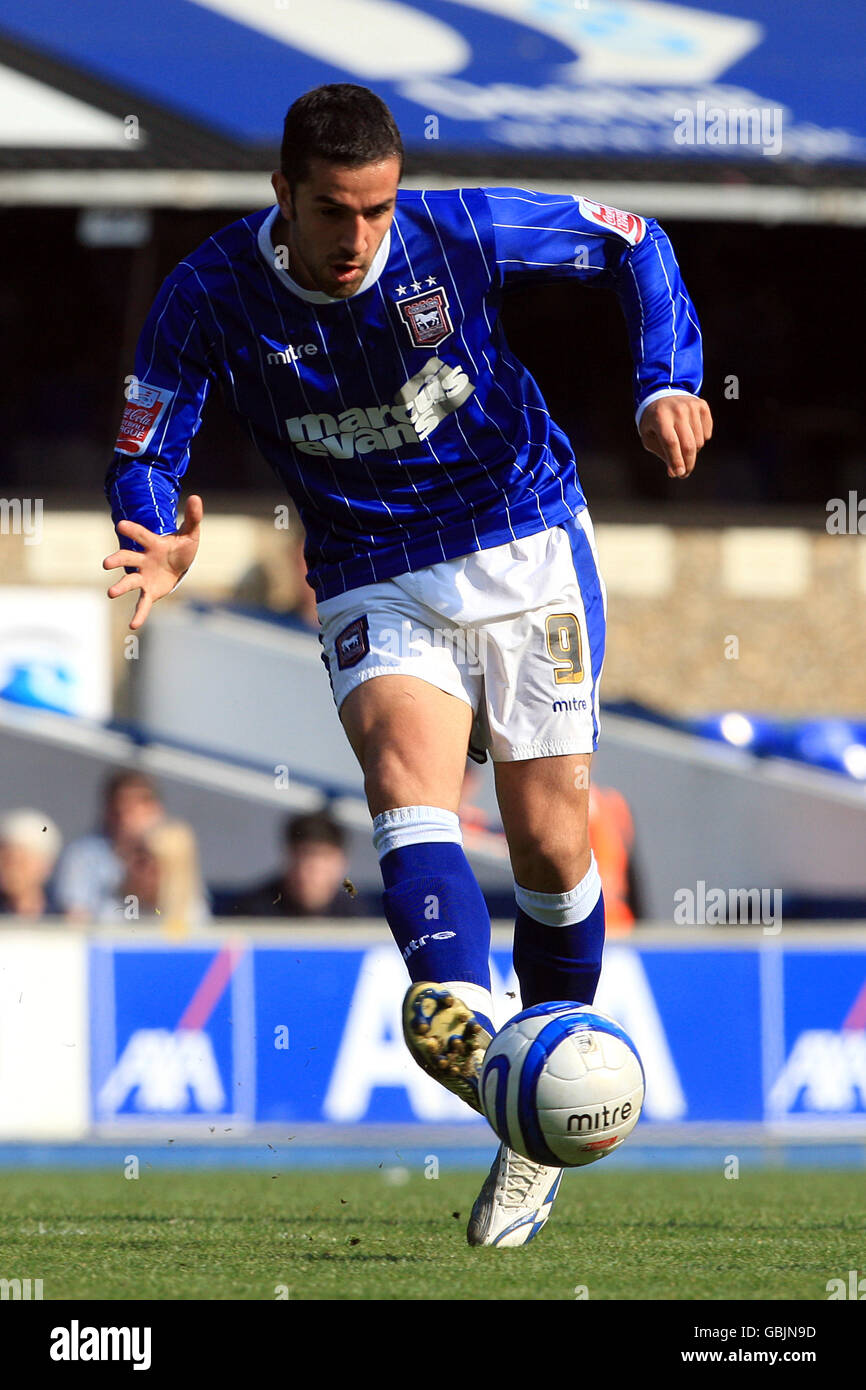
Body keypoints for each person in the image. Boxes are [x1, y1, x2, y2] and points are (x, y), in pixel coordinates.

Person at [102, 83, 711, 1247]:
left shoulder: (461, 229)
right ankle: (465, 1016)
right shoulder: (205, 292)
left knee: (550, 842)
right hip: (370, 564)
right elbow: (146, 438)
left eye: (376, 210)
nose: (358, 238)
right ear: (282, 194)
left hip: (523, 534)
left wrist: (665, 376)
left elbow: (634, 239)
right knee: (401, 775)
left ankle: (531, 1120)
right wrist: (153, 527)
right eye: (333, 212)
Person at [53, 770, 164, 922]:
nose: (124, 815)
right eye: (119, 806)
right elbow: (75, 919)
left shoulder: (173, 855)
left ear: (155, 810)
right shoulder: (82, 856)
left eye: (134, 807)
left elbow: (192, 921)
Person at [219, 810, 365, 918]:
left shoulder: (358, 917)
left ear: (342, 862)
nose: (312, 871)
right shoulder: (252, 912)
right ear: (289, 857)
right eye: (304, 856)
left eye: (324, 858)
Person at [0, 809, 62, 918]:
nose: (10, 871)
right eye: (5, 860)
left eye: (20, 862)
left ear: (45, 866)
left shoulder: (62, 914)